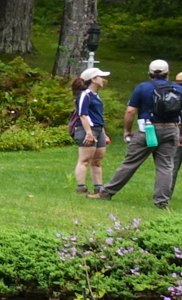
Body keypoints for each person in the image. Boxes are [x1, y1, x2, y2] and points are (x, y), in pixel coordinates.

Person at [95, 59, 182, 207]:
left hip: (148, 129)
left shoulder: (143, 87)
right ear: (168, 73)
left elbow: (130, 111)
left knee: (131, 162)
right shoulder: (178, 89)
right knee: (166, 166)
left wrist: (127, 130)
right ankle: (161, 201)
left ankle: (106, 192)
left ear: (149, 73)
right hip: (171, 128)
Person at [73, 66, 110, 196]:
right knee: (84, 159)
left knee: (97, 161)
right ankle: (81, 187)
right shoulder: (84, 95)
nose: (103, 80)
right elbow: (83, 115)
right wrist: (89, 133)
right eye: (101, 77)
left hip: (98, 129)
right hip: (87, 129)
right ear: (93, 79)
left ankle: (98, 187)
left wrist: (103, 133)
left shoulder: (96, 96)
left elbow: (98, 115)